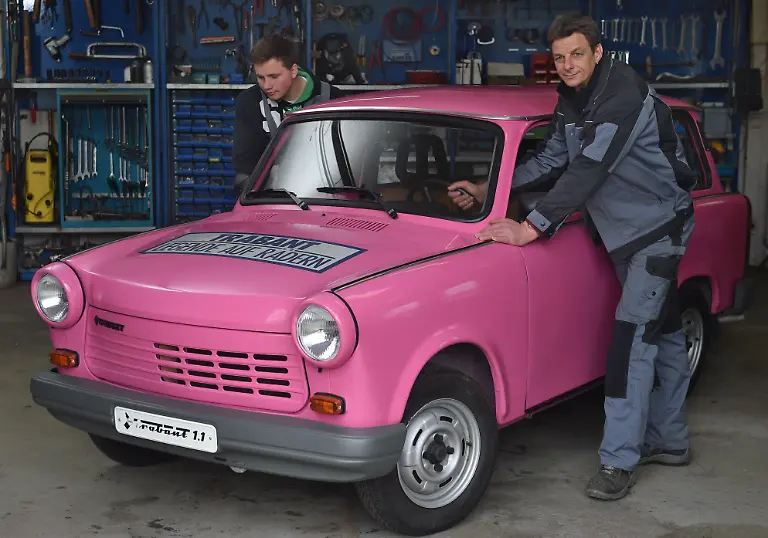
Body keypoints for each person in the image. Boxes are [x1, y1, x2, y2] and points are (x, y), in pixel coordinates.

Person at [448, 13, 698, 501]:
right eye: (559, 57)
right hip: (624, 232)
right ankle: (671, 440)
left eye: (577, 54)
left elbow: (588, 170)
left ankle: (618, 461)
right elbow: (551, 158)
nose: (567, 65)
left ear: (598, 53)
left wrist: (530, 228)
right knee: (665, 333)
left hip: (657, 230)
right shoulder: (571, 97)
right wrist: (488, 187)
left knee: (630, 343)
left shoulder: (623, 95)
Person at [232, 34, 343, 193]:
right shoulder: (249, 103)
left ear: (293, 70)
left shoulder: (333, 98)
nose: (267, 85)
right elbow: (244, 167)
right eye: (261, 77)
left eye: (274, 76)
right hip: (271, 199)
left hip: (326, 196)